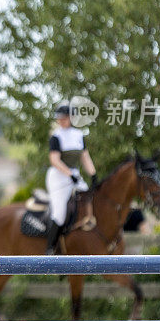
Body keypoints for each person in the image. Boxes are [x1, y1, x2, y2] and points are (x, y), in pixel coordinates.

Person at [45, 101, 97, 254]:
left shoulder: (79, 135)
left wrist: (93, 174)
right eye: (59, 118)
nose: (61, 120)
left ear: (72, 118)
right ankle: (50, 247)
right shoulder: (56, 136)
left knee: (89, 199)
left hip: (74, 175)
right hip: (58, 177)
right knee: (60, 213)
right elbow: (54, 160)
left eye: (64, 118)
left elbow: (85, 157)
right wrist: (70, 175)